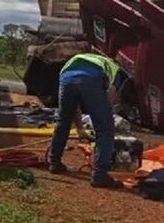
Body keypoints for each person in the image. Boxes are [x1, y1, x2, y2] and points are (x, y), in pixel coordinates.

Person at [48, 52, 126, 189]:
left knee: (63, 121)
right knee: (105, 129)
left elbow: (74, 106)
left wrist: (80, 128)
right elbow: (110, 98)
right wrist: (106, 116)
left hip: (66, 76)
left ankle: (54, 162)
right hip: (92, 78)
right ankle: (100, 175)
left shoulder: (84, 58)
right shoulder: (116, 69)